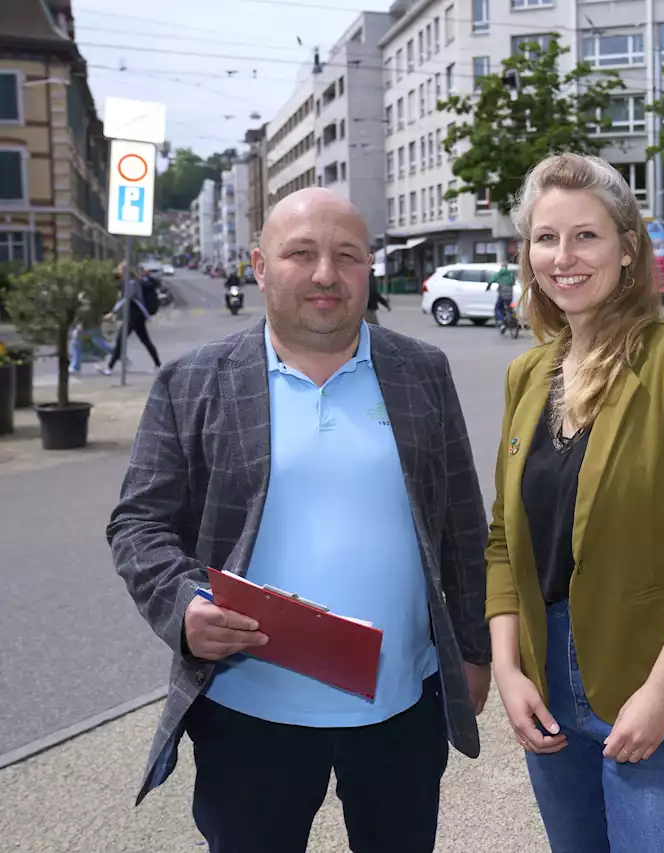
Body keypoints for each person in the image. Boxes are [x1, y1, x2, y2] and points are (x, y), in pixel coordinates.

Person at [106, 187, 492, 853]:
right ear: (258, 266)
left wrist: (473, 646)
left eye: (346, 256)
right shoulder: (195, 380)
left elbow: (461, 519)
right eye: (301, 253)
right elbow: (138, 522)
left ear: (367, 267)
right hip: (248, 714)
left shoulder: (421, 371)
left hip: (399, 708)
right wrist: (183, 607)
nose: (324, 274)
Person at [484, 153, 664, 852]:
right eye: (546, 238)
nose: (563, 256)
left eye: (587, 236)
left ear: (628, 250)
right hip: (547, 684)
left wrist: (662, 691)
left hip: (655, 683)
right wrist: (509, 670)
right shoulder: (527, 373)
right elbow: (501, 539)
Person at [100, 264, 162, 375]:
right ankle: (158, 365)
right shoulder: (129, 282)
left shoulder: (132, 283)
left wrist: (113, 312)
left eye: (119, 271)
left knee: (120, 340)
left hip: (135, 314)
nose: (118, 273)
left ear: (124, 271)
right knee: (145, 340)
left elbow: (126, 298)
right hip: (136, 314)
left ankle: (109, 368)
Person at [489, 260, 516, 326]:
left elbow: (491, 281)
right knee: (511, 306)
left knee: (497, 308)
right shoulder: (511, 274)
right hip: (510, 295)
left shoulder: (498, 274)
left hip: (502, 295)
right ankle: (514, 318)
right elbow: (513, 282)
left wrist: (488, 287)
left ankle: (501, 321)